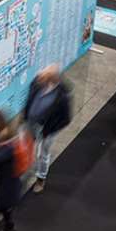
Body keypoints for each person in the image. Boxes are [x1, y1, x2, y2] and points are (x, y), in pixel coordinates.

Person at [22, 64, 72, 193]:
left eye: (43, 76)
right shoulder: (37, 82)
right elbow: (29, 99)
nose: (39, 77)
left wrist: (51, 129)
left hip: (48, 129)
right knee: (26, 146)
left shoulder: (62, 96)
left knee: (43, 153)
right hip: (31, 122)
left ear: (51, 80)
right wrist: (26, 116)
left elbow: (66, 118)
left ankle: (41, 178)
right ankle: (23, 168)